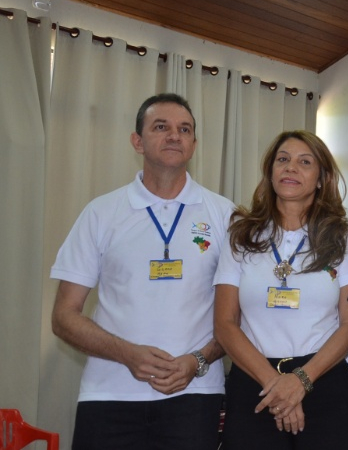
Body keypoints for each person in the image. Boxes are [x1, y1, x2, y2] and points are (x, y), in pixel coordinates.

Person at [50, 93, 234, 450]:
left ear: (194, 145)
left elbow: (237, 316)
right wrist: (127, 355)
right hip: (108, 396)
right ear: (137, 141)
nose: (174, 136)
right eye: (160, 127)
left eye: (184, 129)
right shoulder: (101, 213)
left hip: (195, 395)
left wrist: (197, 361)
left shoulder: (226, 216)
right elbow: (63, 316)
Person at [214, 130, 348, 449]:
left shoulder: (343, 242)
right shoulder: (241, 237)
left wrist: (301, 380)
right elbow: (224, 323)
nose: (290, 167)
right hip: (254, 384)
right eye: (283, 160)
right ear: (270, 173)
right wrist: (276, 384)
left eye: (304, 162)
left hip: (324, 383)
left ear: (322, 178)